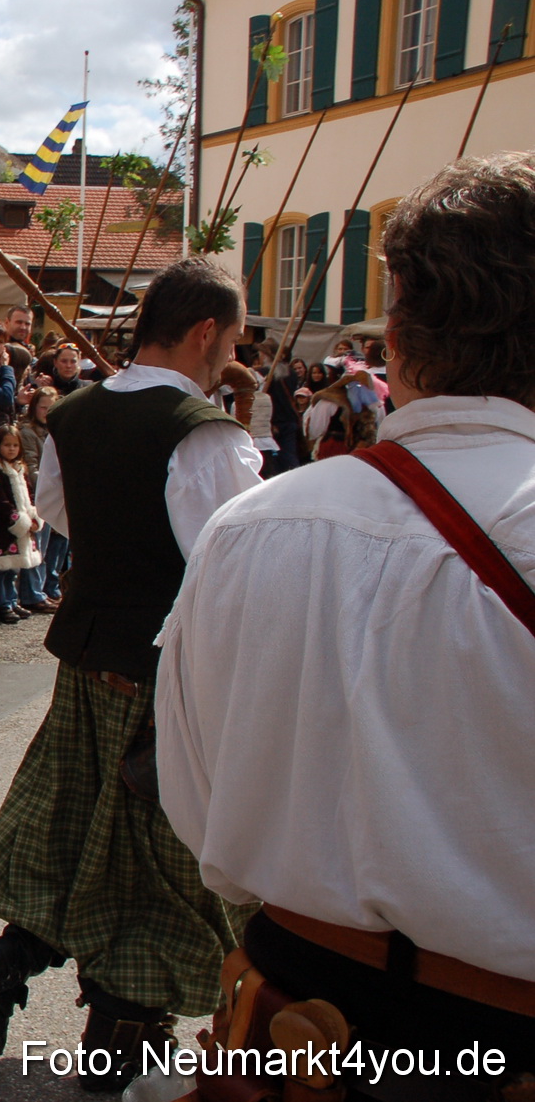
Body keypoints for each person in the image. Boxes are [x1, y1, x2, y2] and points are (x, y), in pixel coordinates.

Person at [156, 153, 535, 1099]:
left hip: (288, 1021)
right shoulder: (254, 520)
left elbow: (197, 805)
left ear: (398, 338)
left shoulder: (252, 528)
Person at [0, 258, 263, 1089]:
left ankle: (14, 951)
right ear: (207, 332)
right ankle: (117, 1056)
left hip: (89, 662)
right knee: (158, 880)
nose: (231, 353)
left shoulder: (78, 412)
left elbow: (59, 514)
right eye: (232, 339)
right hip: (166, 681)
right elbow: (231, 566)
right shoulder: (206, 434)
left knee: (74, 833)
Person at [0, 423, 49, 624]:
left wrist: (34, 516)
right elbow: (0, 501)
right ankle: (1, 604)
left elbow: (28, 494)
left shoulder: (19, 469)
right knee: (1, 569)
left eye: (15, 445)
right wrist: (18, 520)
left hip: (20, 527)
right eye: (6, 445)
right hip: (2, 528)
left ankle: (11, 599)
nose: (11, 449)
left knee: (13, 569)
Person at [19, 387, 66, 605]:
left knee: (57, 546)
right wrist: (52, 488)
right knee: (38, 546)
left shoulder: (61, 429)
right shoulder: (28, 432)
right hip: (38, 495)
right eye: (42, 407)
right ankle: (34, 594)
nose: (47, 412)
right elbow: (32, 465)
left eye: (51, 407)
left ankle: (51, 586)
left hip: (60, 492)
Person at [3, 304, 36, 377]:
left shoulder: (28, 349)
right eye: (19, 322)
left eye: (27, 324)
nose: (23, 327)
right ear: (7, 322)